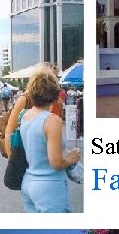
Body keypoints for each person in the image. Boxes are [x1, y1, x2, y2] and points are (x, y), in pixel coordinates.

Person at [17, 69, 80, 213]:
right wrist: (72, 158)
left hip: (28, 181)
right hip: (50, 185)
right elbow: (56, 162)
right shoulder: (52, 120)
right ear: (54, 93)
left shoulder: (26, 116)